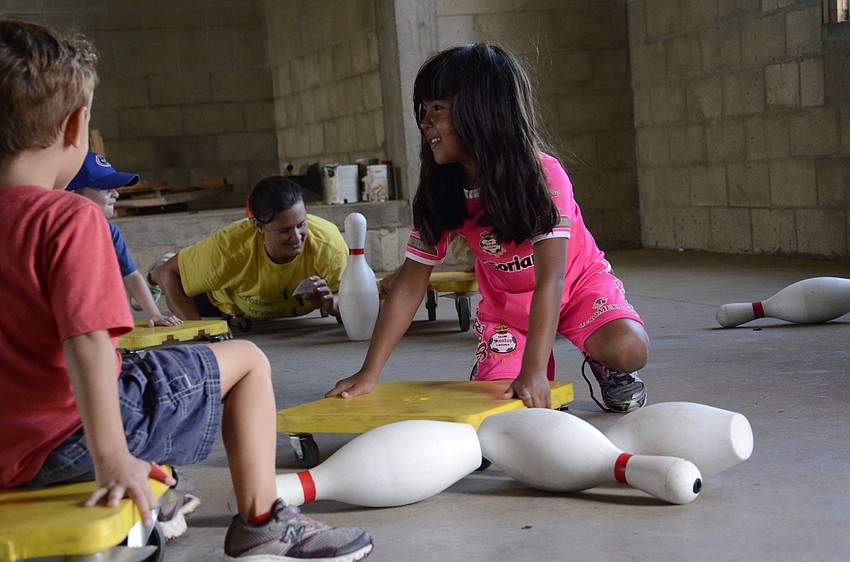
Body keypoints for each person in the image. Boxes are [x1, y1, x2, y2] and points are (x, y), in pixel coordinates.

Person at [0, 17, 372, 561]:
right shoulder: (69, 218)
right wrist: (110, 457)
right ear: (76, 127)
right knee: (246, 361)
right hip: (67, 443)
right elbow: (87, 344)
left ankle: (164, 487)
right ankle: (262, 520)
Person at [326, 44, 650, 413]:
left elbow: (552, 279)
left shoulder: (544, 175)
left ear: (482, 112)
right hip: (507, 310)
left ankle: (603, 361)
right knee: (503, 408)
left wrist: (533, 372)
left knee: (629, 349)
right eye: (424, 109)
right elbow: (410, 287)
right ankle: (506, 363)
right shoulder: (442, 188)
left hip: (577, 287)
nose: (424, 121)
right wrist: (370, 373)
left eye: (437, 109)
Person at [152, 176, 349, 323]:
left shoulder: (328, 244)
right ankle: (156, 272)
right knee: (175, 291)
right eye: (284, 231)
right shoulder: (228, 249)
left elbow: (353, 305)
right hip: (227, 301)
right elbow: (168, 274)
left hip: (283, 304)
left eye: (301, 224)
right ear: (259, 226)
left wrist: (330, 303)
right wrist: (200, 330)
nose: (297, 237)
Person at [66, 151, 181, 327]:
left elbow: (131, 276)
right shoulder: (55, 233)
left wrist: (154, 314)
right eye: (105, 189)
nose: (116, 194)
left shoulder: (109, 231)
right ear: (74, 193)